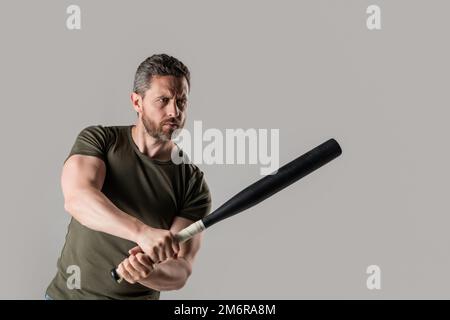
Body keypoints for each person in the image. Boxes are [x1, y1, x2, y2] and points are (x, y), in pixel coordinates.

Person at [45, 54, 212, 299]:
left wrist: (146, 273)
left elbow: (181, 269)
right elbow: (77, 199)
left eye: (181, 101)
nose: (174, 111)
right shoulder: (100, 141)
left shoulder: (192, 184)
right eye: (163, 100)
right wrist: (141, 232)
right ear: (137, 102)